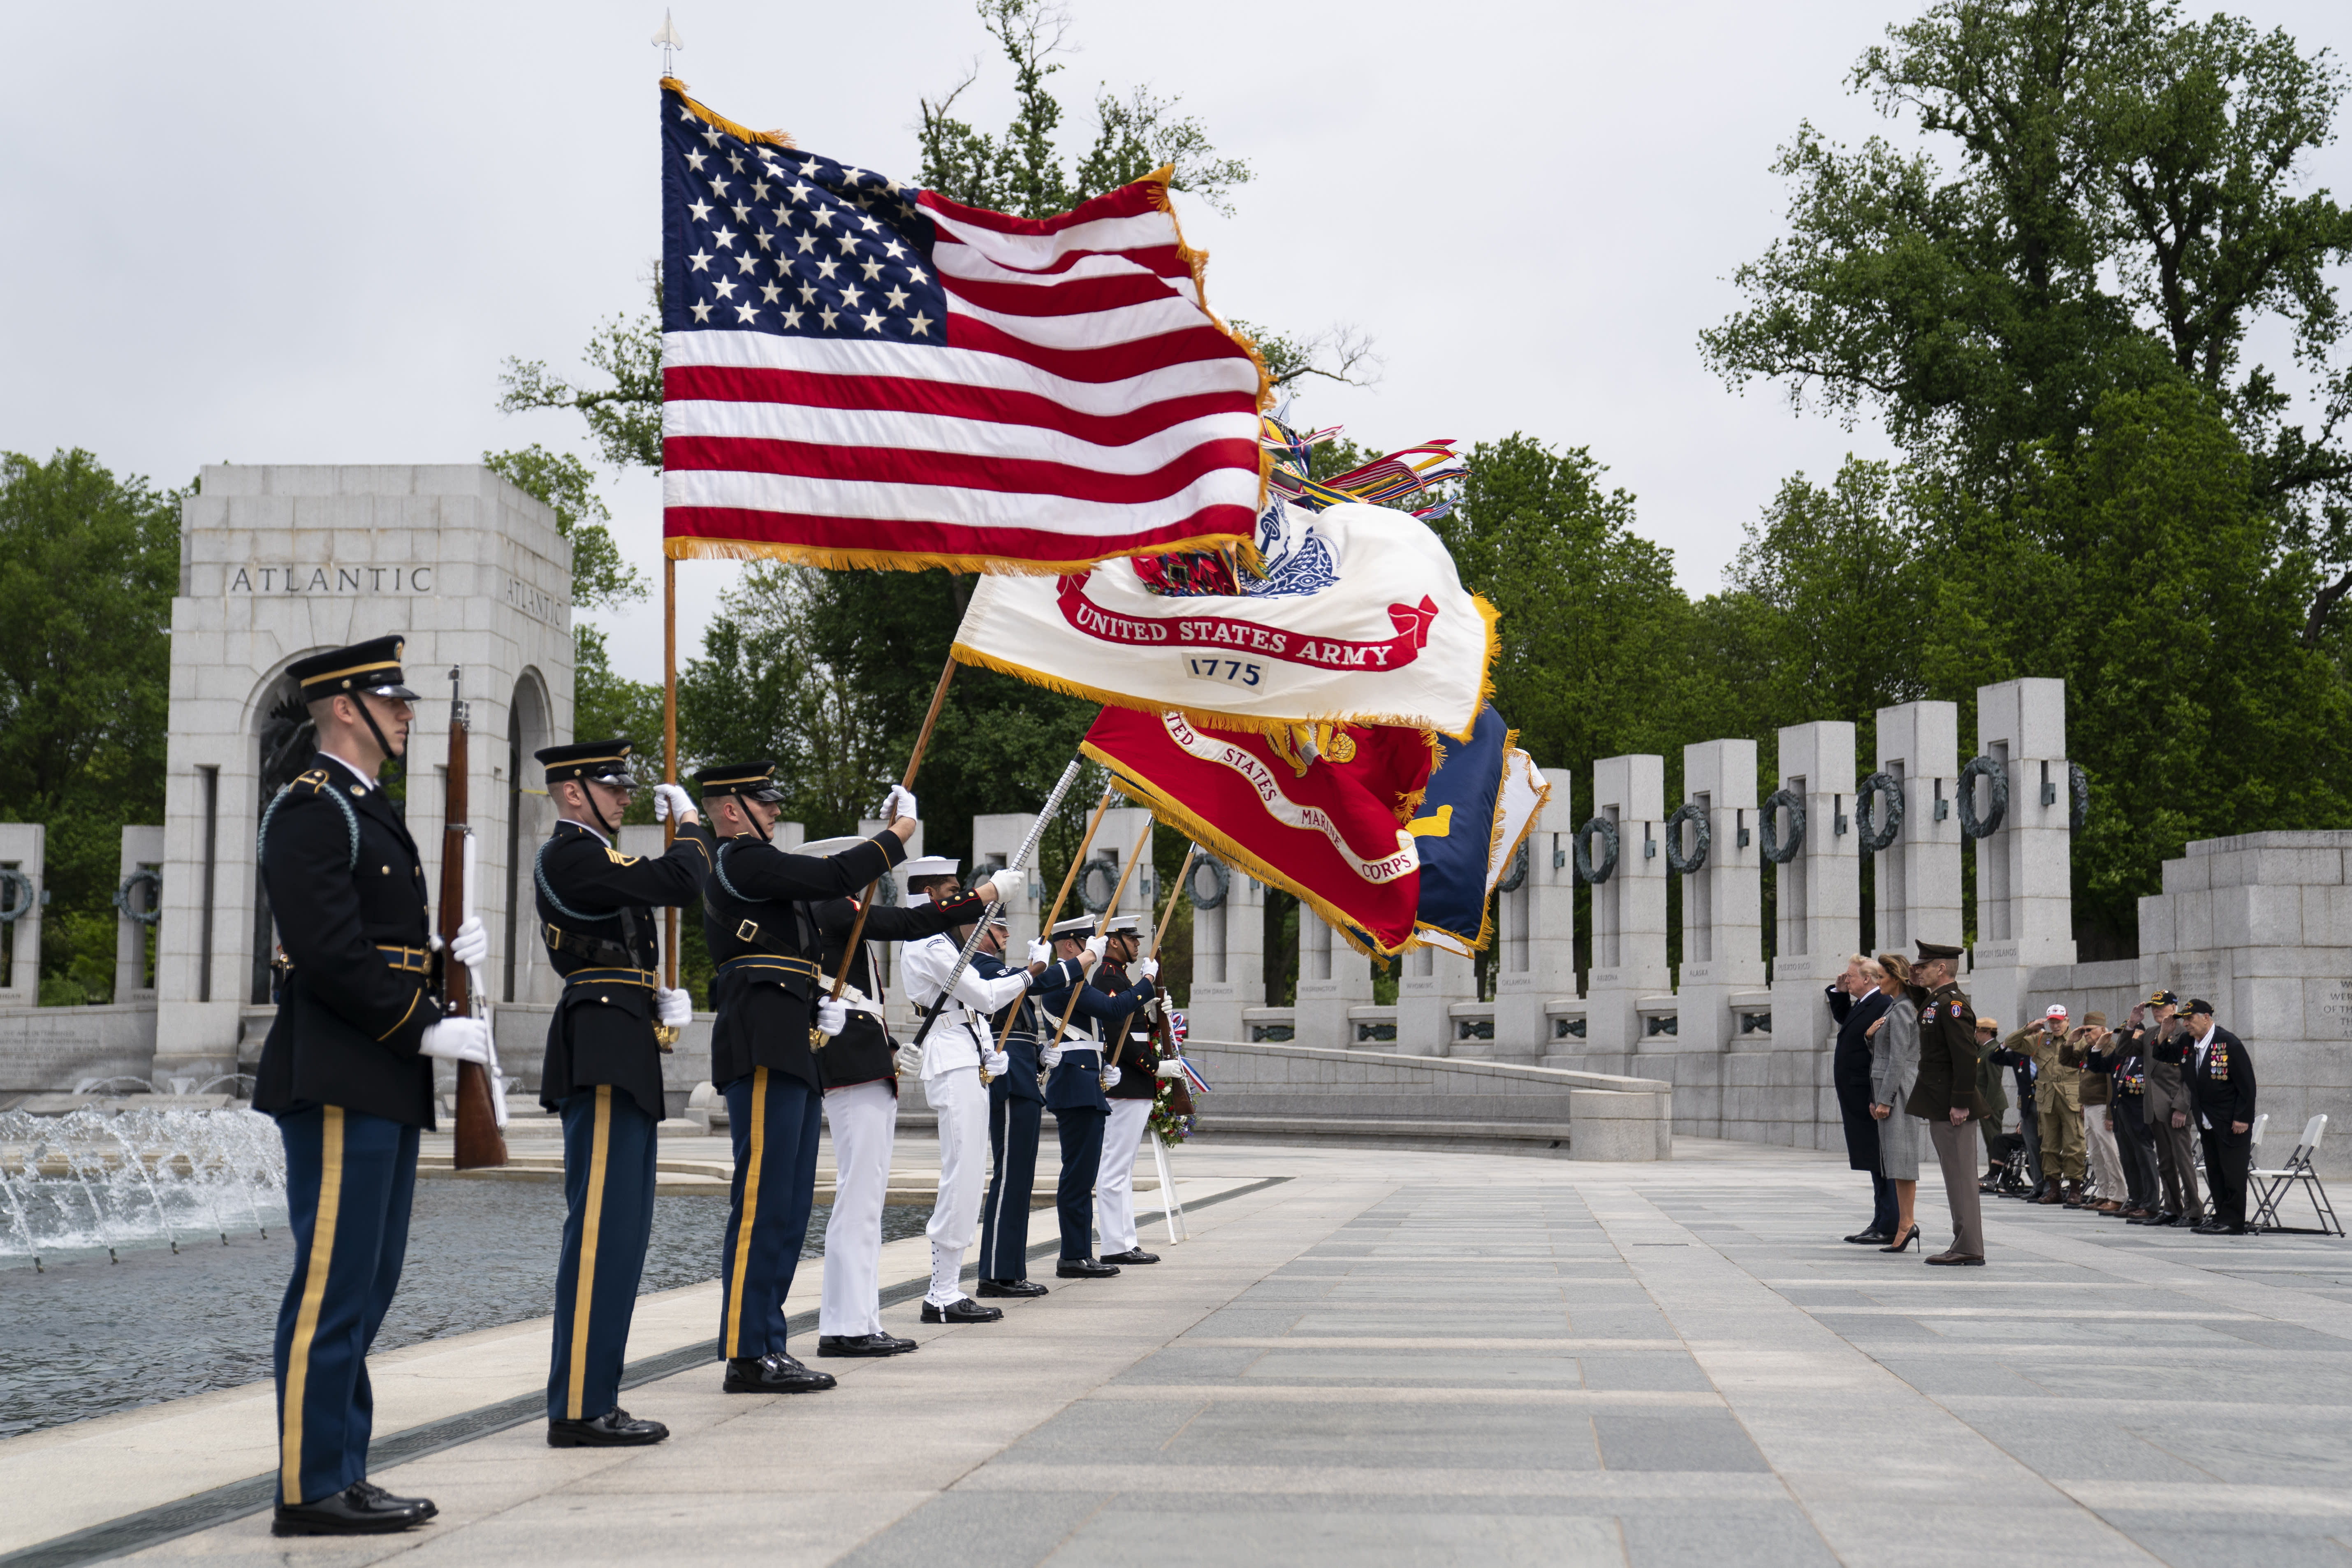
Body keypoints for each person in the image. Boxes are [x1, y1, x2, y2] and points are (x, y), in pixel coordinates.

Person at [255, 637, 488, 1536]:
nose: (406, 712)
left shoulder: (363, 807)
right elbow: (327, 951)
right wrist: (424, 1019)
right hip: (343, 1067)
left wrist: (438, 963)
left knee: (370, 1280)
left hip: (380, 1067)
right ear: (344, 705)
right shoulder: (312, 807)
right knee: (334, 1283)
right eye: (391, 700)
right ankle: (312, 1486)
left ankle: (341, 1468)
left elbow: (371, 939)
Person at [696, 762, 916, 1392]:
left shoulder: (766, 872)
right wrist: (897, 829)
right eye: (762, 801)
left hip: (790, 1042)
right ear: (731, 809)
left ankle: (769, 1342)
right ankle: (745, 1351)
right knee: (762, 1203)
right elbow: (833, 874)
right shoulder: (740, 860)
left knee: (790, 1207)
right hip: (760, 1044)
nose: (773, 810)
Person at [532, 741, 711, 1447]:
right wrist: (693, 822)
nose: (624, 795)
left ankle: (596, 1393)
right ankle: (577, 1405)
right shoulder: (572, 853)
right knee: (602, 1232)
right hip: (601, 1041)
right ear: (572, 792)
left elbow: (623, 937)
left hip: (624, 1031)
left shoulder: (592, 854)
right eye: (610, 785)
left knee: (626, 1234)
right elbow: (680, 879)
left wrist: (653, 994)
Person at [803, 843, 999, 1355]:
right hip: (848, 1061)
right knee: (860, 1199)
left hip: (865, 1057)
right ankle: (848, 1325)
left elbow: (860, 994)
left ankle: (856, 1320)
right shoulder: (829, 904)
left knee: (866, 1199)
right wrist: (986, 896)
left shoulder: (840, 910)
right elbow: (907, 924)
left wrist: (888, 1048)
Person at [901, 871, 1065, 1324]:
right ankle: (941, 1293)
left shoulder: (944, 943)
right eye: (953, 893)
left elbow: (972, 1010)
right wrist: (1032, 973)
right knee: (963, 1174)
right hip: (950, 1063)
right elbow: (985, 996)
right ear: (929, 895)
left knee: (971, 1174)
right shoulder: (927, 943)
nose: (962, 900)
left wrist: (985, 1052)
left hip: (965, 1058)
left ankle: (948, 1289)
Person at [974, 910, 1088, 1297]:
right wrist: (1080, 962)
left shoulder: (1002, 972)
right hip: (1008, 1080)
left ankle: (1009, 1269)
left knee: (1020, 1178)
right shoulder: (980, 964)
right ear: (980, 930)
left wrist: (1040, 1056)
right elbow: (1035, 985)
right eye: (999, 927)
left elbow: (1020, 1028)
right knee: (1010, 1177)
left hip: (1023, 1076)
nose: (1006, 933)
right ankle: (994, 1272)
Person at [1037, 915, 1155, 1276]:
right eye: (1091, 941)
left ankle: (1079, 1252)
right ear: (1071, 946)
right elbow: (1114, 1009)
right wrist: (1148, 982)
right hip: (1074, 1086)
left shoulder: (1075, 981)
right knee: (1077, 1176)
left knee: (1083, 1174)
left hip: (1086, 1083)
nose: (1099, 947)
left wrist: (1105, 1063)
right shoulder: (1064, 981)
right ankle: (1073, 1255)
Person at [1904, 940, 1988, 1265]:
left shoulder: (1953, 1004)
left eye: (1923, 967)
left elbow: (1966, 1056)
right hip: (1940, 1101)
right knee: (1955, 1176)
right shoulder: (1938, 1001)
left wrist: (1960, 1103)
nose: (1918, 970)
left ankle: (1968, 1246)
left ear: (1941, 968)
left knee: (1961, 1177)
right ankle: (1963, 1241)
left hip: (1952, 1106)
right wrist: (1914, 985)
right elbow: (1926, 1013)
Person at [1092, 914, 1168, 1267]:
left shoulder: (1121, 977)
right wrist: (1155, 1066)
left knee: (1123, 1169)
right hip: (1126, 1079)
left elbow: (1136, 1028)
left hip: (1134, 1082)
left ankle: (1125, 1241)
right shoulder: (1108, 977)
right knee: (1114, 1169)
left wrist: (1154, 1014)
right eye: (1131, 939)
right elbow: (1117, 1038)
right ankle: (1114, 1243)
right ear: (1113, 942)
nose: (1137, 944)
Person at [2158, 999, 2258, 1235]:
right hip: (2206, 1120)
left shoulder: (2229, 1043)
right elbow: (2163, 1054)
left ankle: (2233, 1222)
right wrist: (2164, 1033)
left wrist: (2243, 1118)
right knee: (2215, 1170)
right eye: (2184, 1019)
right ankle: (2221, 1216)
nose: (2186, 1024)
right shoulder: (2186, 1043)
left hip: (2231, 1121)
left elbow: (2247, 1085)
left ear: (2206, 1018)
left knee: (2232, 1173)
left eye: (2190, 1019)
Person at [1828, 954, 1896, 1244]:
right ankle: (1880, 1218)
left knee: (1882, 1160)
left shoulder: (1881, 1003)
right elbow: (1847, 1021)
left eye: (1850, 976)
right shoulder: (1865, 1003)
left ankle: (1891, 1222)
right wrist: (1838, 993)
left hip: (1869, 1096)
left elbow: (1881, 1056)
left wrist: (1877, 1096)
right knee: (1872, 1158)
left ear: (1867, 979)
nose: (1846, 979)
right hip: (1858, 1095)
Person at [1863, 954, 1927, 1253]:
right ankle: (1905, 1222)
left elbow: (1899, 1059)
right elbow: (1886, 1052)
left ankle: (1907, 1223)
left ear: (1897, 977)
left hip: (1898, 1092)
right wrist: (1869, 1036)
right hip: (1890, 1090)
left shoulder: (1902, 1010)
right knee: (1896, 1162)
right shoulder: (1894, 1007)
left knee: (1902, 1159)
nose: (1878, 982)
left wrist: (1885, 1100)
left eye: (1881, 976)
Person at [2129, 992, 2203, 1227]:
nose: (2156, 1011)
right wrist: (2132, 1024)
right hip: (2154, 1107)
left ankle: (2194, 1210)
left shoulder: (2186, 1034)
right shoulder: (2151, 1033)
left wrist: (2182, 1107)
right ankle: (2172, 1209)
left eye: (2161, 1007)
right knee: (2166, 1162)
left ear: (2174, 1007)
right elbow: (2124, 1051)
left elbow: (2191, 1076)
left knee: (2183, 1161)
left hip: (2175, 1108)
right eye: (2153, 1008)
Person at [2079, 1017, 2160, 1220]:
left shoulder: (2147, 1054)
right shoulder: (2120, 1055)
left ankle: (2150, 1204)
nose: (2123, 1038)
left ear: (2140, 1034)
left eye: (2128, 1033)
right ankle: (2136, 1201)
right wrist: (2099, 1046)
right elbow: (2096, 1066)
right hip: (2121, 1113)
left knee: (2144, 1158)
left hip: (2140, 1113)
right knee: (2128, 1159)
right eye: (2121, 1034)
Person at [2060, 1014, 2126, 1212]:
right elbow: (2067, 1061)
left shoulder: (2110, 1049)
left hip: (2102, 1107)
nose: (2086, 1034)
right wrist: (2071, 1041)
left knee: (2110, 1153)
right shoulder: (2090, 1049)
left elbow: (2111, 1085)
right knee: (2096, 1154)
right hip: (2089, 1106)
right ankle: (2104, 1193)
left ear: (2103, 1030)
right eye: (2085, 1030)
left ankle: (2118, 1196)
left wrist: (2110, 1114)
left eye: (2090, 1030)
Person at [1972, 1015, 2010, 1189]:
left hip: (1991, 1104)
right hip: (1986, 1103)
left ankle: (1998, 1175)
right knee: (1991, 1142)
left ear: (1987, 1033)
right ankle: (1994, 1173)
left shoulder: (1993, 1051)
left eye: (1977, 1031)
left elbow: (1995, 1081)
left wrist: (1987, 1105)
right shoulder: (1985, 1049)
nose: (1975, 1035)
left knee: (1994, 1141)